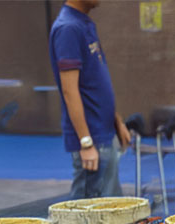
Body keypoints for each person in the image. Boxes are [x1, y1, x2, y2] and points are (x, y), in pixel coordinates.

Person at [49, 0, 131, 199]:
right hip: (92, 140)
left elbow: (96, 82)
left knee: (110, 214)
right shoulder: (68, 28)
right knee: (86, 221)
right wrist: (86, 143)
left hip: (104, 134)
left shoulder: (84, 23)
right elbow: (70, 91)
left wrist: (116, 120)